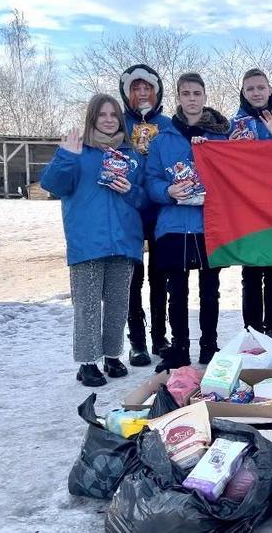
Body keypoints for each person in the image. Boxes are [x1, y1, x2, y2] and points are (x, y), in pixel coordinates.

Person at [40, 94, 147, 386]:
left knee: (117, 304)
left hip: (124, 241)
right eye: (103, 115)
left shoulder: (132, 156)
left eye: (114, 115)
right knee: (87, 305)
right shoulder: (77, 152)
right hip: (87, 242)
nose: (109, 119)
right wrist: (66, 156)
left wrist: (130, 191)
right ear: (92, 118)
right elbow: (52, 185)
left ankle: (112, 356)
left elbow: (144, 198)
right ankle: (88, 362)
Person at [145, 72, 231, 370]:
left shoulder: (220, 137)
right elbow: (151, 180)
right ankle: (179, 347)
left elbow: (234, 177)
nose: (192, 99)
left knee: (210, 289)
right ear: (178, 98)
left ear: (205, 97)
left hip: (209, 224)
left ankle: (209, 345)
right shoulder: (162, 140)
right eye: (186, 93)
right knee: (176, 291)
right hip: (174, 224)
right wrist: (168, 191)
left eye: (197, 93)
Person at [119, 64, 173, 367]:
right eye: (135, 88)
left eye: (147, 88)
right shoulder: (117, 125)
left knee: (160, 277)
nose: (142, 94)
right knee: (133, 279)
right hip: (128, 211)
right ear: (126, 94)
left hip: (162, 210)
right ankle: (137, 341)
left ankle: (159, 337)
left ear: (156, 91)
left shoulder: (168, 124)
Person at [229, 68, 272, 344]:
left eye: (260, 87)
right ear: (243, 92)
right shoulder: (234, 125)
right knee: (250, 273)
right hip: (247, 207)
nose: (256, 93)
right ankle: (251, 330)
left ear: (269, 89)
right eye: (250, 88)